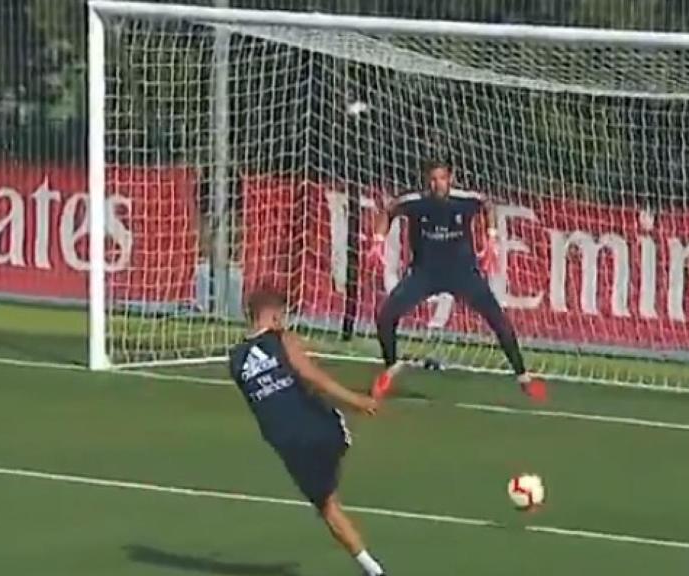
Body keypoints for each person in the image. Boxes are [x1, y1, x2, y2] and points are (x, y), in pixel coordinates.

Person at [228, 288, 387, 576]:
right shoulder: (282, 339)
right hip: (319, 427)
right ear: (275, 315)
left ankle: (372, 569)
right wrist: (358, 401)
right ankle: (341, 439)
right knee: (334, 433)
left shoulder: (235, 360)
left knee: (327, 506)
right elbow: (311, 376)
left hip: (286, 443)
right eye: (284, 316)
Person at [367, 159, 547, 402]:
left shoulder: (465, 199)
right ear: (426, 180)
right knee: (385, 316)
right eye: (432, 179)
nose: (437, 184)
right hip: (424, 273)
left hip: (462, 273)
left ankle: (523, 376)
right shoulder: (415, 202)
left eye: (442, 178)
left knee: (498, 320)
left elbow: (488, 205)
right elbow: (387, 211)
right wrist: (378, 240)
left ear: (450, 178)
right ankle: (390, 367)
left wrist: (492, 238)